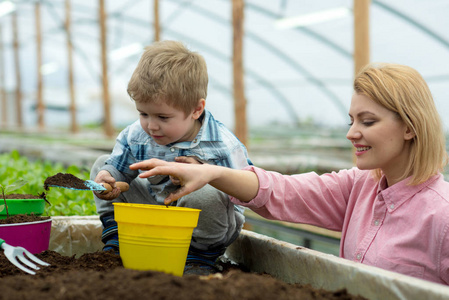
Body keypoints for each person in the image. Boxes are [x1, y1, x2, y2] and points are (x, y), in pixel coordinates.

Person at [129, 63, 449, 285]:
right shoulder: (359, 186)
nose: (352, 133)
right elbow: (281, 191)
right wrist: (211, 173)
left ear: (409, 126)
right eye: (351, 120)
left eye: (367, 122)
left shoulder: (441, 215)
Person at [90, 40, 252, 276]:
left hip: (206, 225)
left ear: (196, 110)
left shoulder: (222, 145)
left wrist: (205, 174)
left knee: (206, 191)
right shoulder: (137, 134)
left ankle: (199, 258)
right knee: (101, 164)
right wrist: (109, 177)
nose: (151, 125)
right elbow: (119, 169)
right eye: (143, 113)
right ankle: (117, 238)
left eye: (163, 117)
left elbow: (245, 191)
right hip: (157, 208)